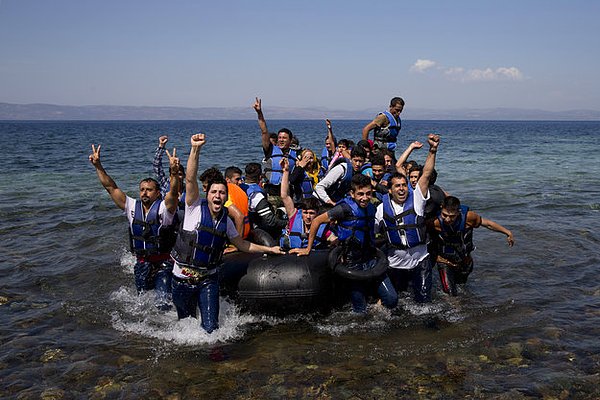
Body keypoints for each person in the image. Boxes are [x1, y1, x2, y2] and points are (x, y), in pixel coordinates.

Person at [170, 134, 284, 333]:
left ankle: (216, 360)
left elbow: (242, 245)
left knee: (211, 330)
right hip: (182, 278)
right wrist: (195, 150)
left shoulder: (226, 221)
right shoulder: (194, 208)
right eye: (214, 192)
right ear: (208, 194)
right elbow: (189, 178)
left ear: (225, 196)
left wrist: (270, 249)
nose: (217, 196)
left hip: (208, 280)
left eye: (222, 193)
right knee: (185, 329)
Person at [89, 144, 180, 309]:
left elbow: (173, 193)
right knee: (141, 305)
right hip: (142, 264)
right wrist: (98, 166)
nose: (144, 193)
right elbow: (111, 187)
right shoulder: (131, 207)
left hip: (163, 265)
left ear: (158, 193)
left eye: (149, 190)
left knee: (162, 304)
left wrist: (173, 173)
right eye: (142, 190)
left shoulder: (164, 209)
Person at [291, 174, 398, 313]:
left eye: (368, 193)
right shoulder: (344, 209)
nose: (364, 198)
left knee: (391, 299)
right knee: (360, 309)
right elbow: (317, 221)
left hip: (371, 258)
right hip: (352, 262)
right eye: (360, 194)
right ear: (352, 194)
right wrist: (308, 248)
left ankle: (377, 307)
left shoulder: (372, 207)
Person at [375, 134, 440, 303]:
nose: (402, 189)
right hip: (396, 264)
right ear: (390, 190)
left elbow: (426, 173)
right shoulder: (381, 209)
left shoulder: (417, 199)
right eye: (398, 186)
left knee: (424, 302)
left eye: (404, 185)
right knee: (397, 303)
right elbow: (371, 233)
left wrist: (433, 149)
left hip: (420, 261)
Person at [430, 196, 515, 296]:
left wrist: (507, 232)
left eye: (452, 216)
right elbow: (424, 239)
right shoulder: (434, 222)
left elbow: (488, 224)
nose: (448, 219)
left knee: (462, 289)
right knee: (450, 294)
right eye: (444, 215)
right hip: (444, 262)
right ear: (441, 208)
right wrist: (434, 258)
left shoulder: (469, 218)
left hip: (464, 261)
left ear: (458, 212)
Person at [279, 158, 334, 250]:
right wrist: (285, 171)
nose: (308, 217)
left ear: (317, 214)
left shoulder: (322, 227)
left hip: (311, 259)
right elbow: (284, 195)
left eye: (311, 213)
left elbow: (332, 238)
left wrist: (335, 243)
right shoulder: (294, 215)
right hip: (289, 258)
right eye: (305, 213)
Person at [253, 97, 297, 195]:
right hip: (271, 190)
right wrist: (259, 113)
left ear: (290, 141)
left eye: (284, 138)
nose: (281, 140)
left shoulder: (296, 154)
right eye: (280, 137)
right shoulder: (270, 150)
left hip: (288, 191)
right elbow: (264, 132)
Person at [244, 162, 287, 240]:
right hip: (255, 229)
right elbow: (270, 221)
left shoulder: (241, 187)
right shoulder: (257, 195)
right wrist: (288, 223)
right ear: (260, 177)